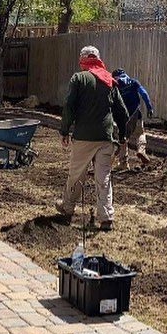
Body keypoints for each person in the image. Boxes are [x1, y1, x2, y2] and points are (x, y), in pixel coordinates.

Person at [55, 45, 128, 231]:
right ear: (98, 59)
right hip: (106, 137)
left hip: (84, 137)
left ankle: (67, 208)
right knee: (103, 178)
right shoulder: (109, 80)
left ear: (83, 60)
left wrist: (64, 130)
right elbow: (122, 112)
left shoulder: (79, 78)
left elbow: (69, 106)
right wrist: (123, 137)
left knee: (76, 174)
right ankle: (106, 217)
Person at [112, 67, 154, 167]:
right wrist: (149, 108)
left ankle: (123, 163)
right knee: (140, 133)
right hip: (136, 114)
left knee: (123, 138)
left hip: (122, 117)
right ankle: (141, 150)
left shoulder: (115, 86)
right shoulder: (133, 82)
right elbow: (144, 93)